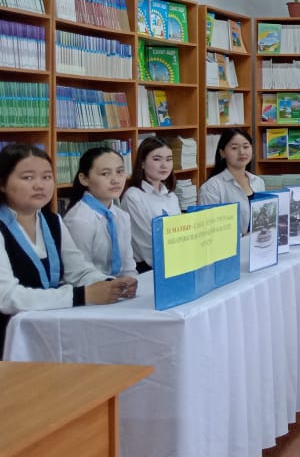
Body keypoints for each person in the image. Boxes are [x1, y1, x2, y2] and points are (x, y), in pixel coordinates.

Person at [0, 144, 136, 342]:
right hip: (9, 336)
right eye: (28, 177)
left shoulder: (52, 221)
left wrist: (110, 284)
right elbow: (6, 297)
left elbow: (78, 271)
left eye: (47, 177)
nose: (40, 185)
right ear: (3, 183)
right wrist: (81, 295)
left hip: (47, 327)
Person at [63, 147, 137, 278]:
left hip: (119, 286)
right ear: (84, 179)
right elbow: (80, 273)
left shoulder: (122, 216)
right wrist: (112, 285)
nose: (115, 180)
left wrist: (132, 281)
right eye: (105, 174)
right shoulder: (79, 220)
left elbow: (128, 266)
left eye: (120, 171)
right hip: (91, 287)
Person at [121, 136, 182, 272]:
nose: (164, 165)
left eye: (169, 159)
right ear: (142, 163)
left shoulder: (171, 196)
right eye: (157, 159)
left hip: (176, 262)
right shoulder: (133, 197)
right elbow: (148, 244)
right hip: (150, 268)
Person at [198, 128, 265, 236]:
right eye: (234, 148)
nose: (242, 152)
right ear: (222, 153)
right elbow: (207, 230)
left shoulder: (258, 182)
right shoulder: (211, 188)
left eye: (246, 146)